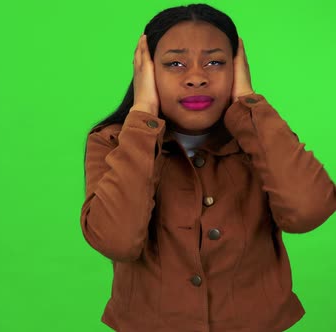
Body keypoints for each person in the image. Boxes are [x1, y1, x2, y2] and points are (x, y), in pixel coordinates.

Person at [79, 3, 336, 332]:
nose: (197, 78)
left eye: (216, 62)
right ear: (146, 71)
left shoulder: (261, 135)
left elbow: (309, 211)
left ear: (236, 67)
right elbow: (117, 240)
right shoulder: (112, 141)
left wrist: (247, 100)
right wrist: (143, 113)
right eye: (175, 64)